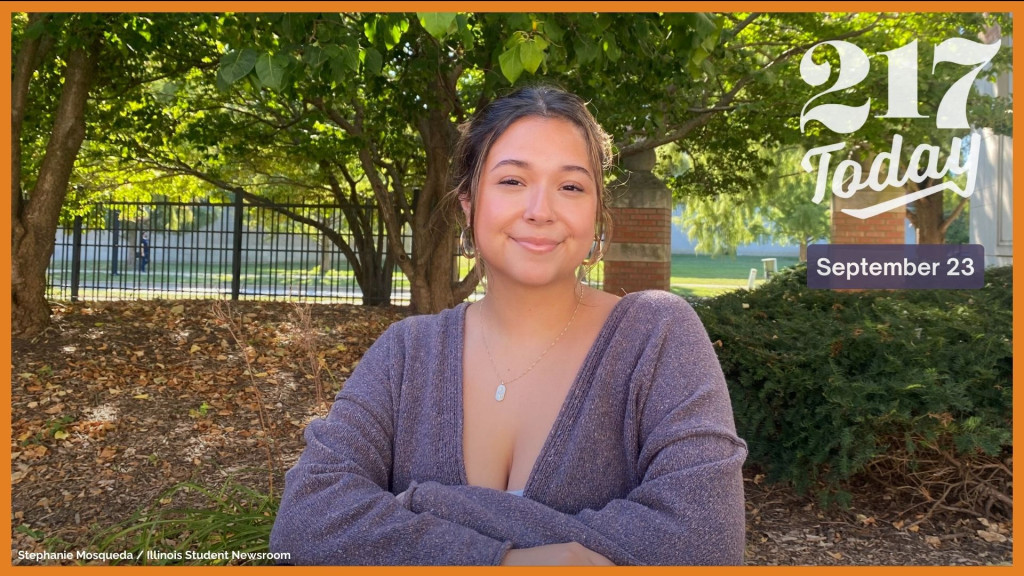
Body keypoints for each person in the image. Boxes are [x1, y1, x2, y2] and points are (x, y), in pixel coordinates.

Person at [269, 85, 747, 566]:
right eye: (512, 181)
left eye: (571, 186)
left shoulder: (656, 335)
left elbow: (704, 545)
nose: (541, 210)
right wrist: (510, 561)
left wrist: (427, 506)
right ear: (468, 205)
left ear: (596, 214)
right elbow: (303, 526)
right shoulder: (407, 352)